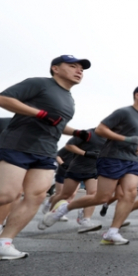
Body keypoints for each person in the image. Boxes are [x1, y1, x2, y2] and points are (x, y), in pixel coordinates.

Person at [39, 85, 138, 247]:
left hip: (130, 159)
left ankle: (112, 233)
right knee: (101, 197)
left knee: (130, 193)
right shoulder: (123, 112)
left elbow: (134, 140)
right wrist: (126, 139)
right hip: (112, 157)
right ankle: (63, 209)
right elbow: (101, 130)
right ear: (137, 95)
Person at [0, 55, 92, 260]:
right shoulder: (39, 83)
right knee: (7, 195)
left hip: (46, 151)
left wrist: (77, 132)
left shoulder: (69, 98)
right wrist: (39, 113)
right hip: (19, 145)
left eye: (82, 69)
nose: (79, 71)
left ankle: (4, 242)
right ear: (56, 69)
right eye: (73, 66)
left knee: (37, 195)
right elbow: (4, 99)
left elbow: (56, 123)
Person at [47, 128, 106, 233]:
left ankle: (85, 220)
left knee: (93, 194)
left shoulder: (112, 139)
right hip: (76, 168)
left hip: (94, 170)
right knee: (64, 195)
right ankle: (51, 213)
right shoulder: (89, 134)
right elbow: (68, 146)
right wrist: (86, 153)